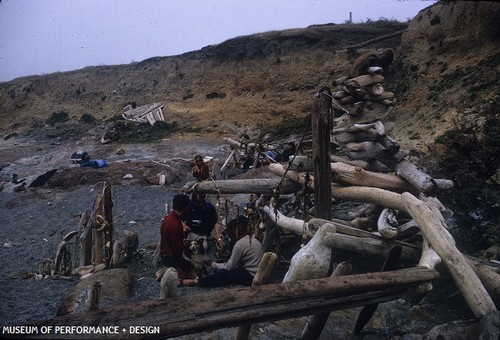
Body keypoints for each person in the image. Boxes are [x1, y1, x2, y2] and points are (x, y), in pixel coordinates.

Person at [181, 215, 264, 287]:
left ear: (237, 230)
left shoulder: (240, 244)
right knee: (222, 269)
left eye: (231, 231)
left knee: (223, 274)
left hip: (251, 276)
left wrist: (212, 264)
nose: (231, 235)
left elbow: (229, 267)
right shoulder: (251, 239)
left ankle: (195, 281)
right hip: (256, 271)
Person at [160, 194, 192, 278]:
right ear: (185, 208)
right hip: (170, 257)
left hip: (165, 253)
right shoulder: (175, 224)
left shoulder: (168, 218)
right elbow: (177, 248)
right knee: (189, 267)